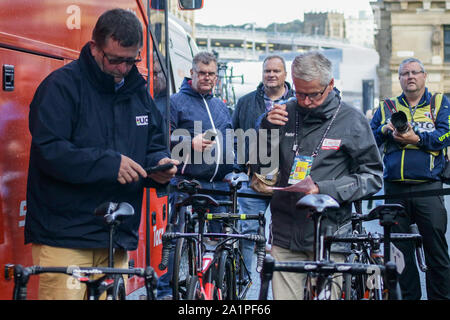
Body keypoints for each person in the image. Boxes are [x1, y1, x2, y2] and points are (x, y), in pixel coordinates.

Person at [24, 8, 178, 300]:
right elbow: (49, 151)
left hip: (115, 236)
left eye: (131, 61)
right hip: (65, 236)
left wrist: (159, 165)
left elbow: (154, 142)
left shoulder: (138, 92)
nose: (123, 68)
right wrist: (110, 165)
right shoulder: (61, 87)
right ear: (94, 47)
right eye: (115, 59)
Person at [259, 51, 383, 300]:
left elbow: (372, 176)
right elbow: (259, 167)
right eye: (299, 92)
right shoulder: (283, 113)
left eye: (313, 94)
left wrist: (324, 188)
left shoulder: (352, 120)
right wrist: (265, 128)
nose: (304, 101)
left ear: (330, 85)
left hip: (330, 234)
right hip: (285, 232)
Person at [370, 57, 450, 300]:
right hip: (395, 190)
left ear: (424, 76)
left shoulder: (439, 102)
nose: (410, 77)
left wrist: (418, 140)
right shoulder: (387, 106)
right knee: (399, 253)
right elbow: (369, 139)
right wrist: (385, 130)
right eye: (405, 73)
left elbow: (446, 134)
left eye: (415, 72)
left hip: (429, 188)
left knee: (436, 251)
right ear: (400, 79)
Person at [157, 51, 234, 299]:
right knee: (175, 239)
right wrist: (189, 141)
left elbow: (231, 142)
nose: (207, 78)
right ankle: (165, 291)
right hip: (187, 184)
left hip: (219, 186)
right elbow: (160, 139)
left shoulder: (220, 106)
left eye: (211, 73)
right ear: (191, 73)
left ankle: (213, 288)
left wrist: (236, 170)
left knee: (220, 242)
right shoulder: (176, 102)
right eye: (202, 73)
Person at [232, 55, 294, 276]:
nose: (271, 75)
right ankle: (243, 283)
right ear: (262, 73)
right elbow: (235, 134)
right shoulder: (246, 102)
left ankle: (286, 284)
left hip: (288, 180)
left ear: (285, 75)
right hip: (254, 178)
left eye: (276, 71)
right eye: (267, 71)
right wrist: (241, 167)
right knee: (248, 232)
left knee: (287, 236)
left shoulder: (299, 102)